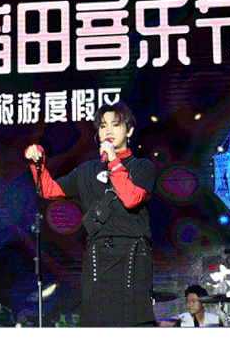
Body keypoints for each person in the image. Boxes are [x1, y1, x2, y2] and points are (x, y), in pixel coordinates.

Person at [25, 102, 156, 327]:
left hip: (133, 254)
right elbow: (49, 190)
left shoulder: (142, 167)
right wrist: (37, 162)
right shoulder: (86, 170)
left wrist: (114, 162)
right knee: (96, 326)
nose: (108, 131)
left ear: (130, 131)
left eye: (115, 125)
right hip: (97, 256)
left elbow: (131, 199)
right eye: (103, 126)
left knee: (133, 327)